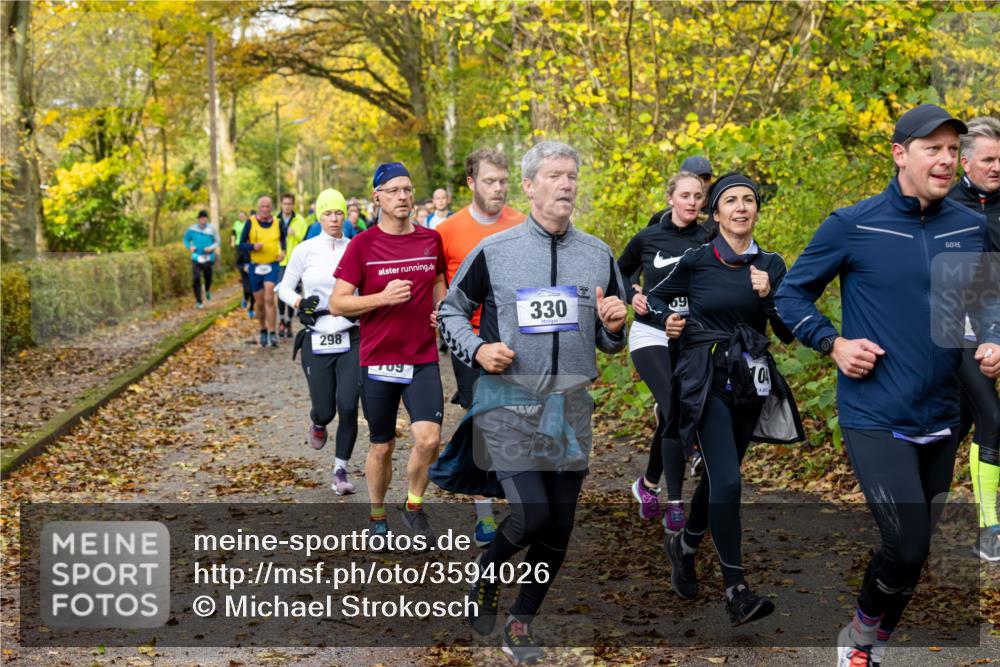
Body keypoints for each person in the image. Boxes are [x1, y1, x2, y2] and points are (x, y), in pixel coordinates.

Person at [773, 104, 1000, 667]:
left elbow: (976, 310)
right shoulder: (854, 224)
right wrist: (833, 343)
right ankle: (859, 641)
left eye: (953, 149)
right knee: (909, 543)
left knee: (911, 555)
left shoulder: (970, 226)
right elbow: (789, 294)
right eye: (934, 149)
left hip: (945, 414)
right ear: (901, 155)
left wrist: (991, 341)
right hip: (876, 411)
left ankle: (866, 637)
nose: (946, 160)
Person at [439, 141, 627, 664]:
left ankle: (519, 623)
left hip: (569, 408)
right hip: (508, 402)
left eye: (572, 175)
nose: (566, 184)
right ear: (529, 185)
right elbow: (450, 311)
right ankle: (485, 570)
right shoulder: (495, 251)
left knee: (559, 529)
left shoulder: (597, 253)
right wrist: (479, 348)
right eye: (554, 175)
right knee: (530, 516)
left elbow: (611, 338)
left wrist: (614, 327)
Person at [646, 172, 800, 628]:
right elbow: (653, 299)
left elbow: (788, 332)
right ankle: (736, 589)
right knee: (729, 482)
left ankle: (687, 546)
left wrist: (769, 298)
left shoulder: (770, 264)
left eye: (748, 200)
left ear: (756, 210)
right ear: (716, 214)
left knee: (718, 480)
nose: (740, 207)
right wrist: (670, 320)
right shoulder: (697, 258)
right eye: (730, 200)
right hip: (704, 377)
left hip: (748, 381)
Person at [330, 162, 447, 541]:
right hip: (379, 360)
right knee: (382, 446)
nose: (403, 197)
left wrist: (439, 310)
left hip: (423, 356)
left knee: (429, 440)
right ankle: (377, 516)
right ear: (377, 197)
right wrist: (381, 298)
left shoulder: (430, 240)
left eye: (408, 190)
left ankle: (413, 506)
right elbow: (337, 304)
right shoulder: (362, 245)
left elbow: (439, 280)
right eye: (394, 190)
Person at [436, 148, 527, 547]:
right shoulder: (449, 230)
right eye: (490, 181)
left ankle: (519, 494)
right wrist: (441, 311)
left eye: (503, 181)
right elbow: (438, 277)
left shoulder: (523, 224)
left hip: (516, 340)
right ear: (471, 183)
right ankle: (485, 513)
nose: (498, 189)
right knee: (483, 420)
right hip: (470, 341)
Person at [617, 171, 711, 533]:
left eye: (697, 196)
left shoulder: (710, 238)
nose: (691, 202)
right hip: (651, 333)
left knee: (673, 413)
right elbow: (619, 273)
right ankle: (675, 503)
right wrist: (632, 294)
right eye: (684, 195)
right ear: (670, 198)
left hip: (691, 336)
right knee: (675, 406)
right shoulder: (648, 237)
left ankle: (648, 485)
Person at [278, 188, 360, 495]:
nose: (334, 218)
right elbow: (283, 288)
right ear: (319, 215)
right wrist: (300, 303)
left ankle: (340, 469)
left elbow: (366, 286)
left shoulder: (356, 247)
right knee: (326, 410)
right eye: (327, 213)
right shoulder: (305, 249)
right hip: (317, 337)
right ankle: (318, 421)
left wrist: (359, 305)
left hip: (351, 335)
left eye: (338, 212)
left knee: (350, 405)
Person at [948, 116, 1000, 563]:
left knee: (962, 422)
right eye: (989, 159)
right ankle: (988, 526)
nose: (998, 166)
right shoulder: (945, 201)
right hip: (961, 331)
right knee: (990, 416)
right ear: (966, 161)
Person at [238, 196, 287, 347]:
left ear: (271, 207)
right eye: (262, 206)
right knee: (259, 303)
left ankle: (272, 332)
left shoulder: (278, 223)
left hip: (272, 265)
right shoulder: (250, 222)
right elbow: (240, 244)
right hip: (255, 266)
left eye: (267, 206)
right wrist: (253, 247)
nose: (265, 209)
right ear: (258, 207)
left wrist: (283, 252)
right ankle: (263, 329)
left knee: (269, 297)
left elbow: (283, 239)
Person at [646, 156, 714, 227]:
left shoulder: (718, 213)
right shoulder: (663, 218)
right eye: (695, 177)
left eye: (706, 178)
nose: (702, 182)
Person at [277, 193, 310, 339]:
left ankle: (289, 321)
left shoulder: (300, 221)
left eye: (289, 203)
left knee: (292, 293)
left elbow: (304, 241)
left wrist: (294, 234)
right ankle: (282, 320)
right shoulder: (275, 220)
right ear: (281, 204)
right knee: (280, 292)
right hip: (280, 262)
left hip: (296, 263)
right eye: (284, 203)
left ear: (293, 205)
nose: (287, 206)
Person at [183, 210, 220, 309]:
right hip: (196, 257)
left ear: (207, 219)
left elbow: (218, 241)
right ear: (198, 219)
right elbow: (185, 239)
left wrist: (211, 248)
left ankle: (207, 290)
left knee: (208, 278)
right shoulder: (192, 229)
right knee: (196, 278)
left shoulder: (212, 228)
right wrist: (189, 247)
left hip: (208, 257)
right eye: (201, 218)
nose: (203, 219)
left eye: (205, 217)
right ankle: (199, 301)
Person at [231, 210, 255, 316]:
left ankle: (251, 308)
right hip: (245, 270)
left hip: (255, 270)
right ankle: (245, 298)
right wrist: (244, 267)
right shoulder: (243, 247)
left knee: (254, 289)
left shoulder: (257, 247)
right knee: (247, 288)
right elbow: (238, 263)